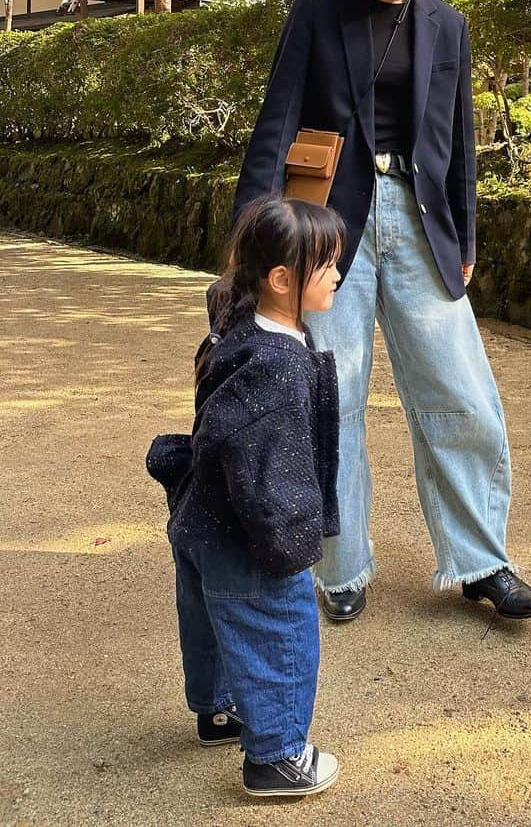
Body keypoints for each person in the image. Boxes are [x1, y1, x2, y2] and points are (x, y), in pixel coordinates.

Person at [232, 0, 531, 624]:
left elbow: (457, 142)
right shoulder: (320, 5)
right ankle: (340, 566)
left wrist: (464, 236)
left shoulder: (447, 26)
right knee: (330, 394)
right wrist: (253, 232)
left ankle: (481, 562)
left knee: (460, 393)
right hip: (330, 224)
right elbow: (279, 117)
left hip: (421, 217)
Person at [146, 195, 346, 799]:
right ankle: (278, 756)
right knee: (276, 626)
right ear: (282, 279)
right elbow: (265, 467)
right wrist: (287, 542)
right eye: (327, 263)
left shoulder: (242, 325)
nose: (339, 272)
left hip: (202, 517)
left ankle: (220, 711)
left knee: (211, 615)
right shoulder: (278, 363)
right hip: (247, 531)